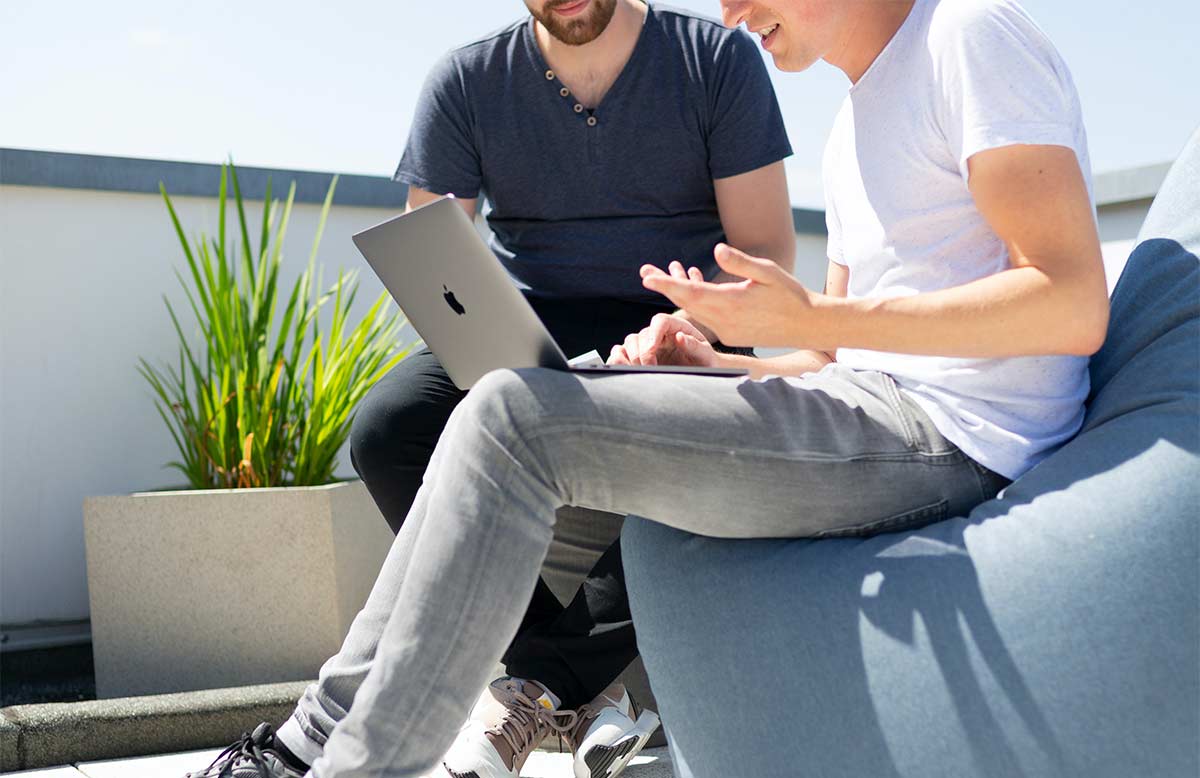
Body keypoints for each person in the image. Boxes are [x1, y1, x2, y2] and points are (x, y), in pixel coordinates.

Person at [192, 0, 1108, 775]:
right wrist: (713, 368)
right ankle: (305, 743)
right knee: (490, 419)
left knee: (513, 418)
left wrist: (812, 323)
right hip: (868, 409)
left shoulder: (969, 35)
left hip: (950, 442)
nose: (733, 14)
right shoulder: (858, 115)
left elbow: (1071, 303)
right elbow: (828, 366)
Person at [189, 0, 795, 777]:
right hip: (532, 325)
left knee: (642, 419)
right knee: (387, 428)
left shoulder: (714, 60)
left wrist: (690, 328)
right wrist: (498, 338)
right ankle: (560, 667)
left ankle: (543, 686)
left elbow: (763, 246)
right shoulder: (467, 80)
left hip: (683, 319)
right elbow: (434, 256)